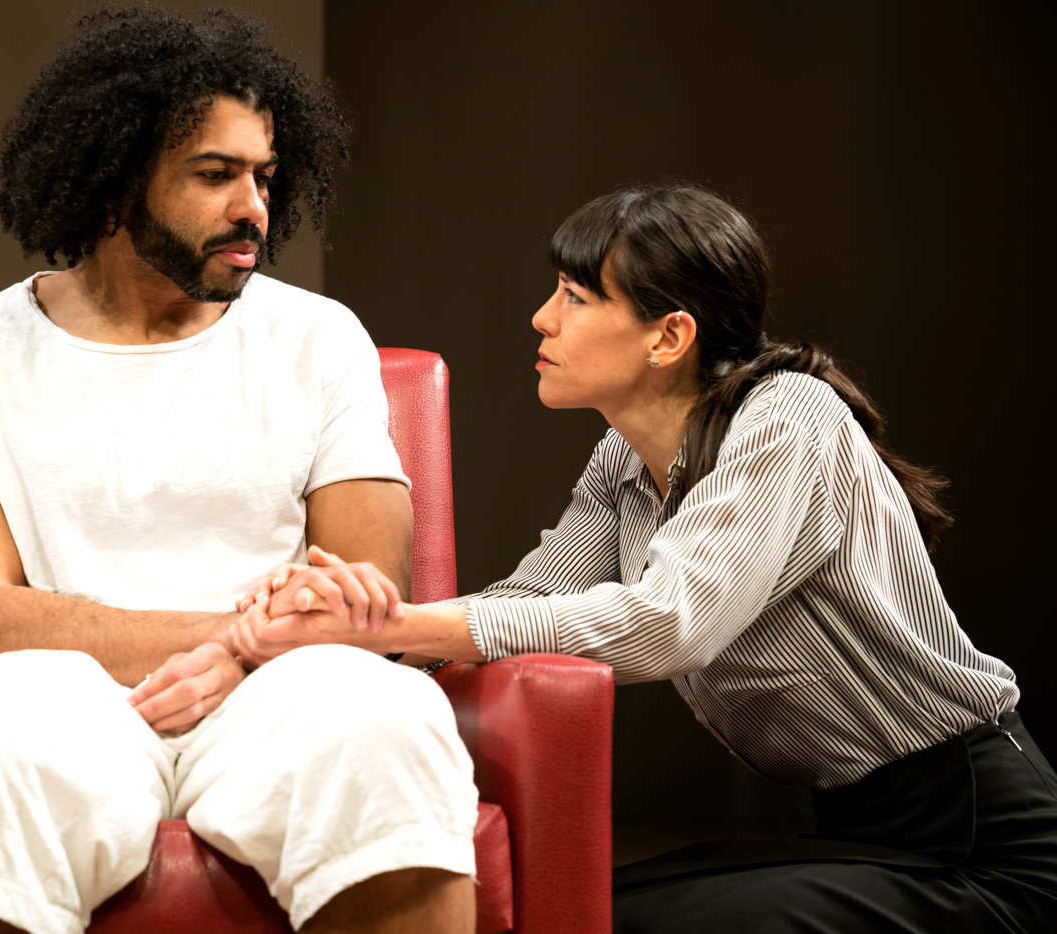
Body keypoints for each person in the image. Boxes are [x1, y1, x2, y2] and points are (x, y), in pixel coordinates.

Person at [235, 184, 1057, 931]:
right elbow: (528, 605)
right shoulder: (621, 458)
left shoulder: (788, 418)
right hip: (860, 827)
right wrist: (347, 630)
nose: (542, 319)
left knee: (611, 925)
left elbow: (670, 624)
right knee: (569, 912)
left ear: (669, 336)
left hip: (982, 842)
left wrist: (397, 625)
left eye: (575, 297)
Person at [0, 8, 479, 934]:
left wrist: (243, 656)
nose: (254, 209)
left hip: (280, 686)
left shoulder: (319, 338)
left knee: (386, 721)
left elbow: (365, 597)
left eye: (264, 176)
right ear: (113, 182)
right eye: (216, 175)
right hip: (61, 688)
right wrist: (235, 631)